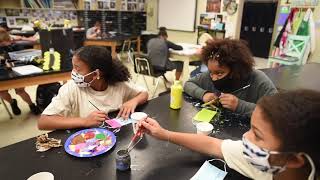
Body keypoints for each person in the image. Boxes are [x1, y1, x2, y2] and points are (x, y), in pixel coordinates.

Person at [138, 89, 319, 180]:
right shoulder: (268, 158)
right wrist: (164, 134)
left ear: (295, 160)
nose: (245, 138)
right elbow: (213, 145)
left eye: (257, 134)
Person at [38, 46, 148, 130]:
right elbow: (43, 122)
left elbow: (144, 93)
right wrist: (84, 121)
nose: (73, 73)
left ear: (96, 74)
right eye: (73, 67)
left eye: (78, 69)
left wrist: (133, 101)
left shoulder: (118, 84)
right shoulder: (71, 89)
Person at [184, 39, 277, 116]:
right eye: (211, 72)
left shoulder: (258, 80)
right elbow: (188, 84)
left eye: (219, 73)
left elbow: (276, 113)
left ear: (236, 70)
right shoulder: (210, 74)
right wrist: (204, 94)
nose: (214, 78)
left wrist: (239, 105)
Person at [0, 29, 41, 115]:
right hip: (2, 72)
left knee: (20, 90)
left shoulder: (14, 44)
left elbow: (22, 57)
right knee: (2, 92)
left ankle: (31, 105)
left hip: (16, 70)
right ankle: (12, 102)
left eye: (7, 41)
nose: (5, 44)